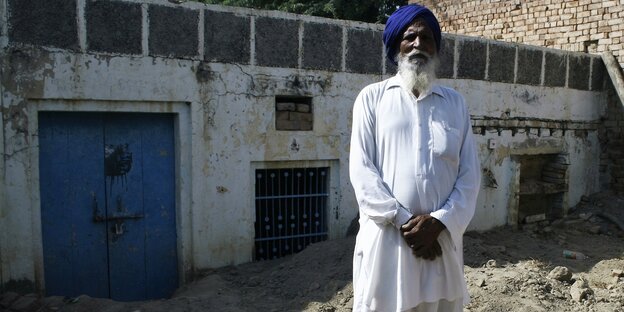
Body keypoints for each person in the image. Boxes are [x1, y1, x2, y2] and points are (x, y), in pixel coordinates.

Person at [349, 3, 481, 312]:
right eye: (410, 36)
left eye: (426, 37)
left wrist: (439, 222)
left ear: (436, 47)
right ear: (397, 44)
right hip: (389, 243)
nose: (418, 44)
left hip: (441, 243)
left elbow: (470, 176)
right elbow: (362, 171)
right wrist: (405, 221)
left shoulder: (455, 104)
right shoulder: (372, 98)